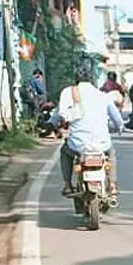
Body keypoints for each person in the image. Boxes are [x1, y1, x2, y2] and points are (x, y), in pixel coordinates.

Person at [54, 64, 124, 200]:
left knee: (65, 151)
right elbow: (118, 120)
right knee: (111, 153)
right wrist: (120, 128)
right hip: (102, 144)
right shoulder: (103, 96)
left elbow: (61, 114)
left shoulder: (69, 92)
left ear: (76, 78)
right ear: (91, 79)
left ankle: (68, 185)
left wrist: (56, 124)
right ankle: (113, 186)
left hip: (79, 145)